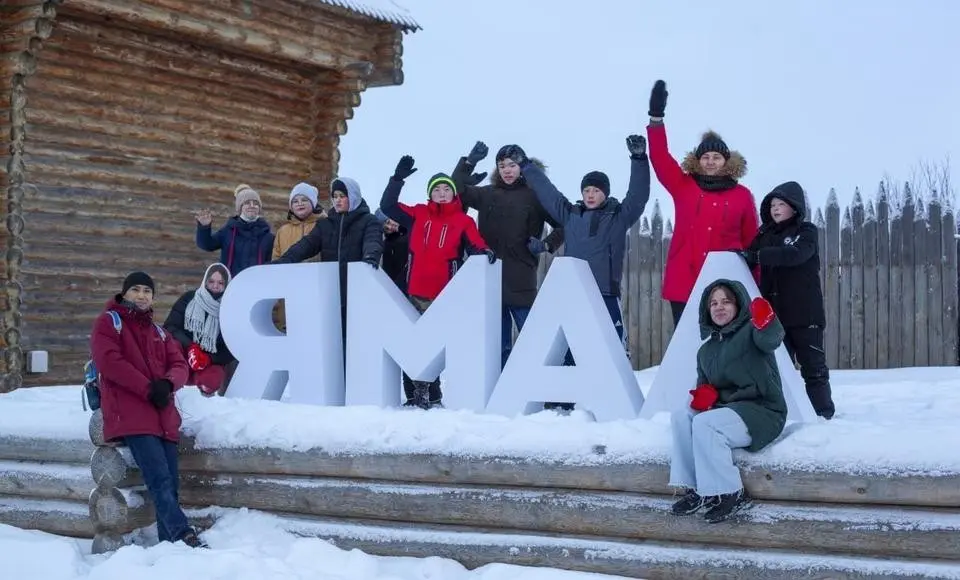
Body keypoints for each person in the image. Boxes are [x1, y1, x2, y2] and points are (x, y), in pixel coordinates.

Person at [508, 136, 651, 410]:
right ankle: (563, 401)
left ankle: (612, 401)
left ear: (605, 193)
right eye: (586, 190)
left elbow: (639, 195)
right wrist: (525, 165)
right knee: (570, 347)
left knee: (611, 349)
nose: (590, 194)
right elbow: (548, 192)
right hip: (574, 296)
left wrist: (639, 159)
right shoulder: (570, 215)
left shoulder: (618, 216)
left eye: (596, 190)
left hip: (605, 295)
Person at [90, 272, 205, 547]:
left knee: (171, 483)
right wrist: (148, 388)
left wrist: (167, 384)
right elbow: (109, 362)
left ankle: (170, 546)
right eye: (136, 290)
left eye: (147, 291)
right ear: (125, 293)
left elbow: (179, 364)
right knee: (160, 480)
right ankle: (182, 534)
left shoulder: (159, 332)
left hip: (162, 415)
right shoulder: (109, 322)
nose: (142, 295)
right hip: (132, 413)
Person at [379, 156, 496, 408]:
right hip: (413, 292)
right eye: (436, 190)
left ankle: (433, 394)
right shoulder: (418, 214)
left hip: (444, 296)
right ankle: (414, 395)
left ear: (453, 194)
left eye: (446, 189)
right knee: (412, 345)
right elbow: (387, 206)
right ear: (430, 194)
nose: (442, 193)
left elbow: (476, 244)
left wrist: (485, 252)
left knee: (434, 348)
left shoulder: (463, 221)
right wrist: (397, 179)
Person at [669, 280, 787, 523]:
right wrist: (704, 396)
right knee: (681, 417)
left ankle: (731, 492)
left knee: (705, 424)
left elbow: (770, 339)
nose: (719, 307)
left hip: (762, 412)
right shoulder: (705, 351)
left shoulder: (751, 331)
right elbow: (704, 386)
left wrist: (768, 322)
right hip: (728, 411)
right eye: (713, 303)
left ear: (738, 305)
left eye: (726, 301)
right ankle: (697, 489)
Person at [646, 80, 759, 327]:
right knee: (687, 343)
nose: (710, 161)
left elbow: (752, 241)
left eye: (716, 157)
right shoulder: (683, 186)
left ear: (726, 161)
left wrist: (755, 284)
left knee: (725, 343)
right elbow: (660, 157)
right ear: (697, 161)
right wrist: (656, 118)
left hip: (725, 285)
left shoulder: (742, 195)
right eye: (705, 157)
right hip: (684, 281)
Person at [451, 142, 565, 368]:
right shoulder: (487, 194)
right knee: (497, 346)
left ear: (522, 166)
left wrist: (545, 245)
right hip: (490, 280)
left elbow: (564, 224)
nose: (507, 170)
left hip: (521, 280)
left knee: (535, 341)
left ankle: (543, 384)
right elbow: (455, 189)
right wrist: (468, 163)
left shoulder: (535, 196)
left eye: (512, 165)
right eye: (502, 166)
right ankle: (501, 385)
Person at [738, 181, 836, 420]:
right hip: (775, 319)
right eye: (772, 205)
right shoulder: (764, 235)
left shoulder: (806, 231)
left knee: (813, 368)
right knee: (778, 369)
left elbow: (795, 255)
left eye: (781, 204)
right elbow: (746, 259)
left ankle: (823, 414)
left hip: (805, 315)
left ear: (794, 206)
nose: (775, 209)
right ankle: (784, 415)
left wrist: (758, 256)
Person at [272, 177, 383, 356]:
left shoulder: (368, 221)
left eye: (342, 196)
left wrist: (370, 256)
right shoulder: (326, 224)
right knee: (332, 342)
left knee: (354, 342)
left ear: (353, 196)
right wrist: (285, 260)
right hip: (332, 293)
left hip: (356, 291)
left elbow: (373, 241)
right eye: (334, 196)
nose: (337, 200)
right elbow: (306, 245)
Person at [164, 263, 236, 397]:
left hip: (209, 362)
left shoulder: (229, 308)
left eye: (221, 283)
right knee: (171, 347)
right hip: (184, 354)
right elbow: (170, 327)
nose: (215, 286)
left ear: (227, 284)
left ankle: (200, 396)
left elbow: (232, 347)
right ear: (205, 281)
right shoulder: (189, 299)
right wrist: (191, 347)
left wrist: (209, 358)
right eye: (211, 281)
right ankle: (171, 385)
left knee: (213, 378)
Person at [196, 184, 274, 278]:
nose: (252, 206)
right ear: (240, 207)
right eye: (247, 203)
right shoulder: (228, 231)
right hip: (232, 283)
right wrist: (204, 228)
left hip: (257, 284)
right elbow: (207, 245)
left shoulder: (268, 236)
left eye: (256, 203)